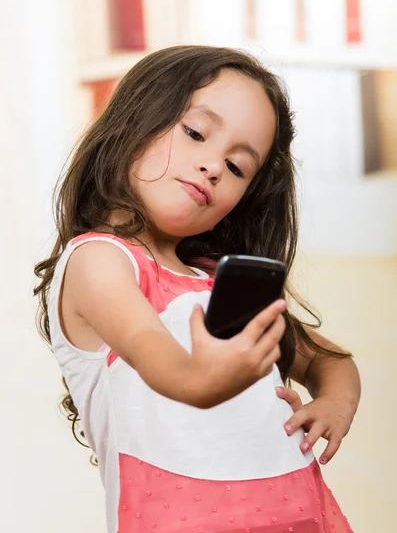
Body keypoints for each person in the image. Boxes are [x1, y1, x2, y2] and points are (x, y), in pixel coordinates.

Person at [34, 46, 360, 533]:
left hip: (303, 513)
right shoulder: (100, 260)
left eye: (237, 168)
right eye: (195, 133)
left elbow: (330, 361)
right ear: (133, 121)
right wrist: (204, 378)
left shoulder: (218, 280)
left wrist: (333, 404)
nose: (212, 165)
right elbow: (158, 358)